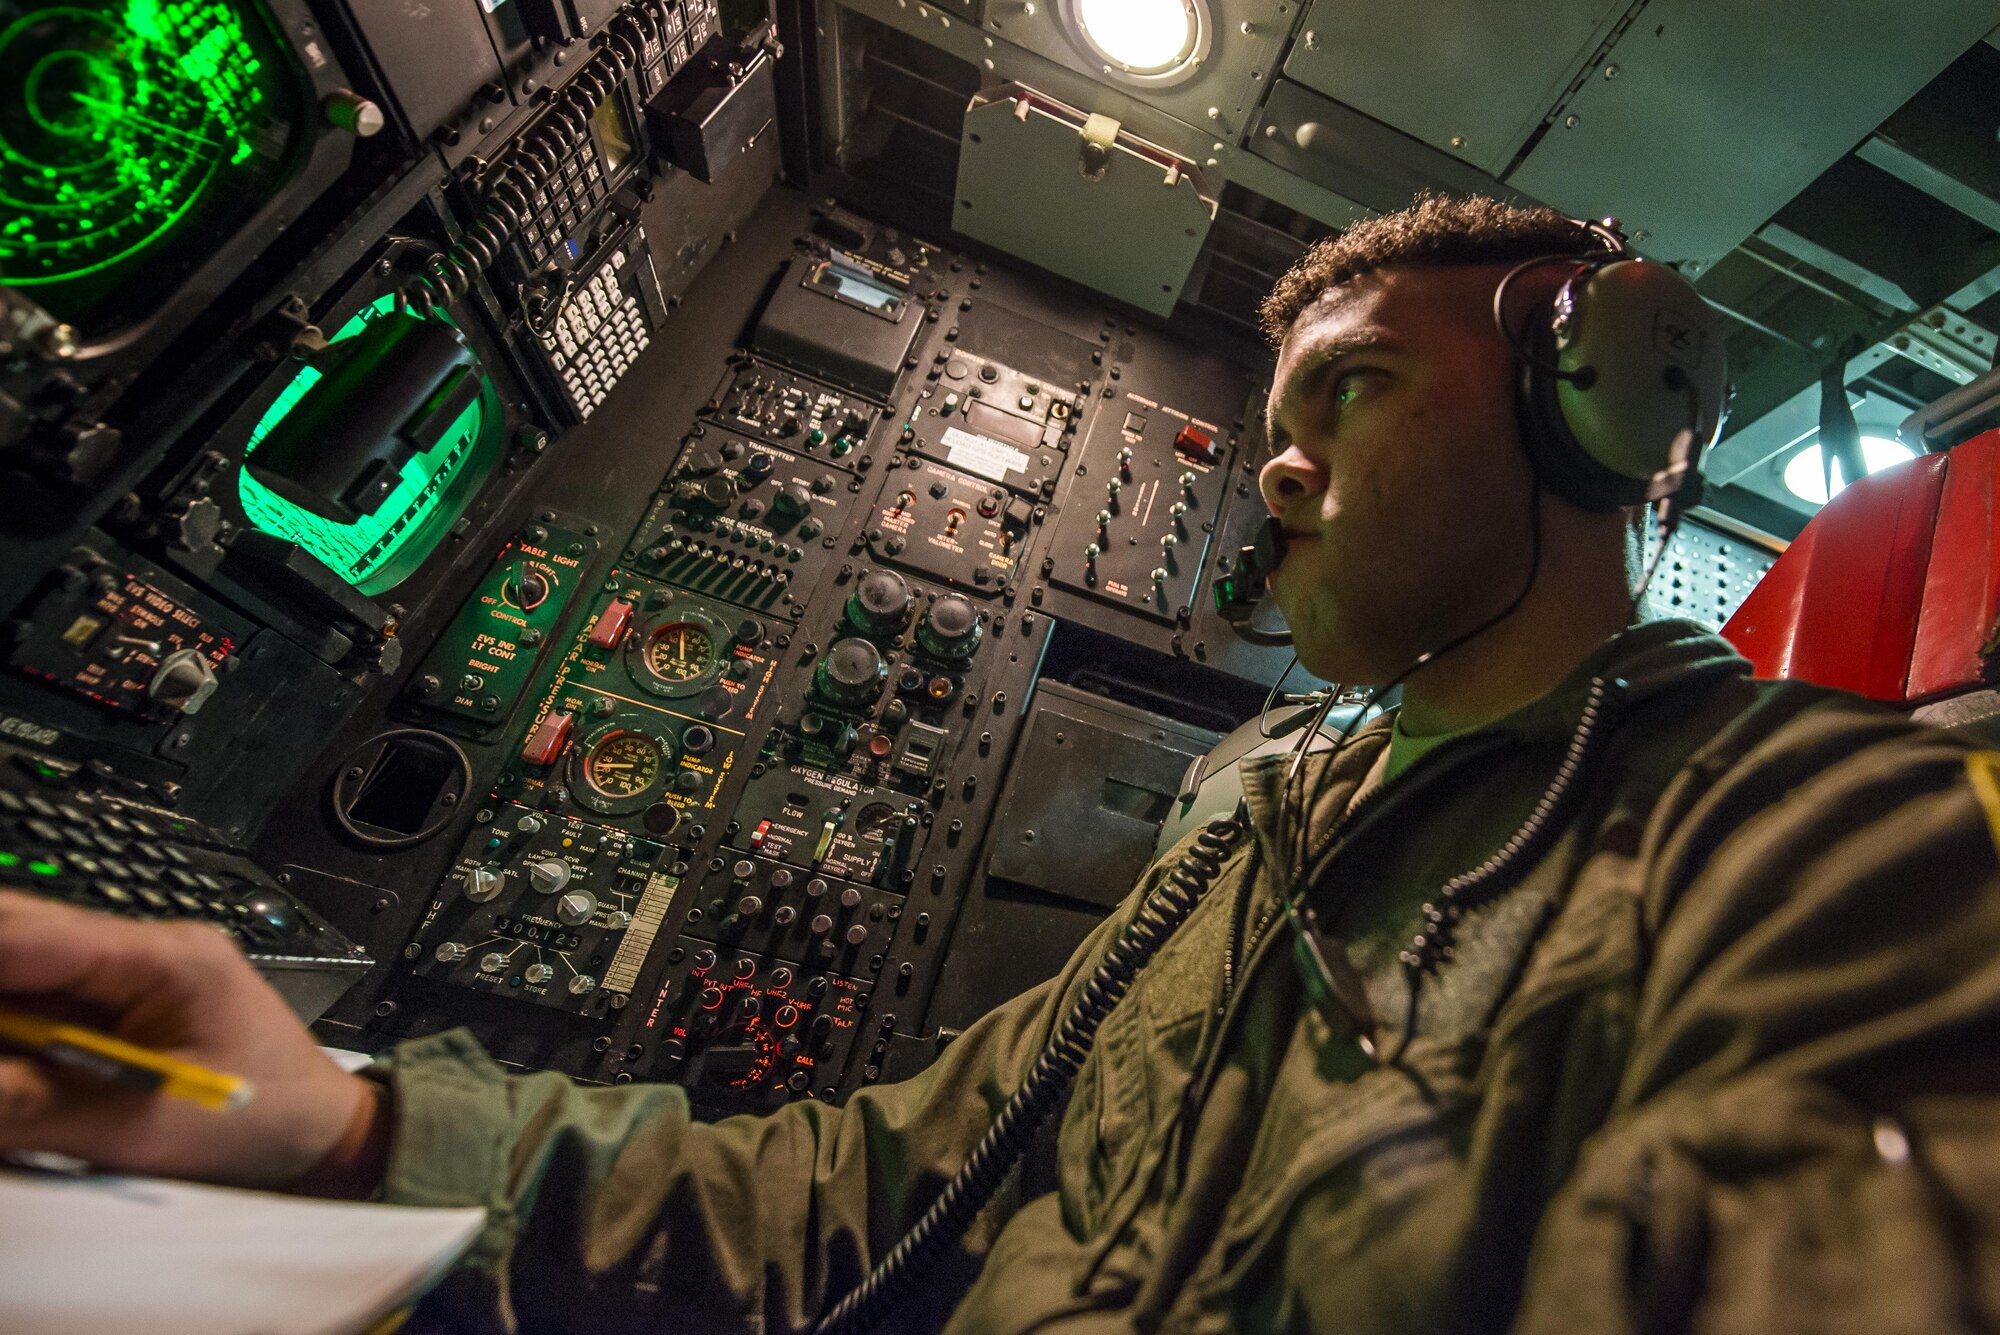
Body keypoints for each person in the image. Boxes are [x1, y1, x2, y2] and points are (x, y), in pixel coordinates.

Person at [5, 193, 2000, 1334]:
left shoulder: (1813, 839)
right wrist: (351, 1131)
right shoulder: (1271, 802)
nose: (1276, 464)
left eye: (1357, 392)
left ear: (1599, 405)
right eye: (1273, 413)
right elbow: (875, 1183)